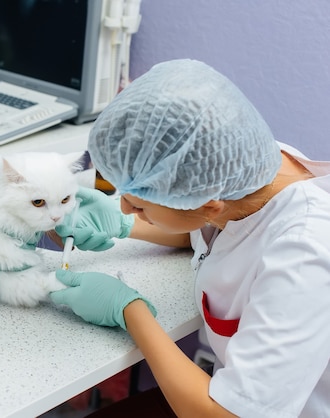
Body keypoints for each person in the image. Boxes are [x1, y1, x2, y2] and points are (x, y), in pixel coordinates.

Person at [51, 59, 330, 417]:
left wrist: (129, 311)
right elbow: (214, 230)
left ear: (208, 204)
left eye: (136, 205)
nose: (122, 207)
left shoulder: (303, 255)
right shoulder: (241, 165)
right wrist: (123, 228)